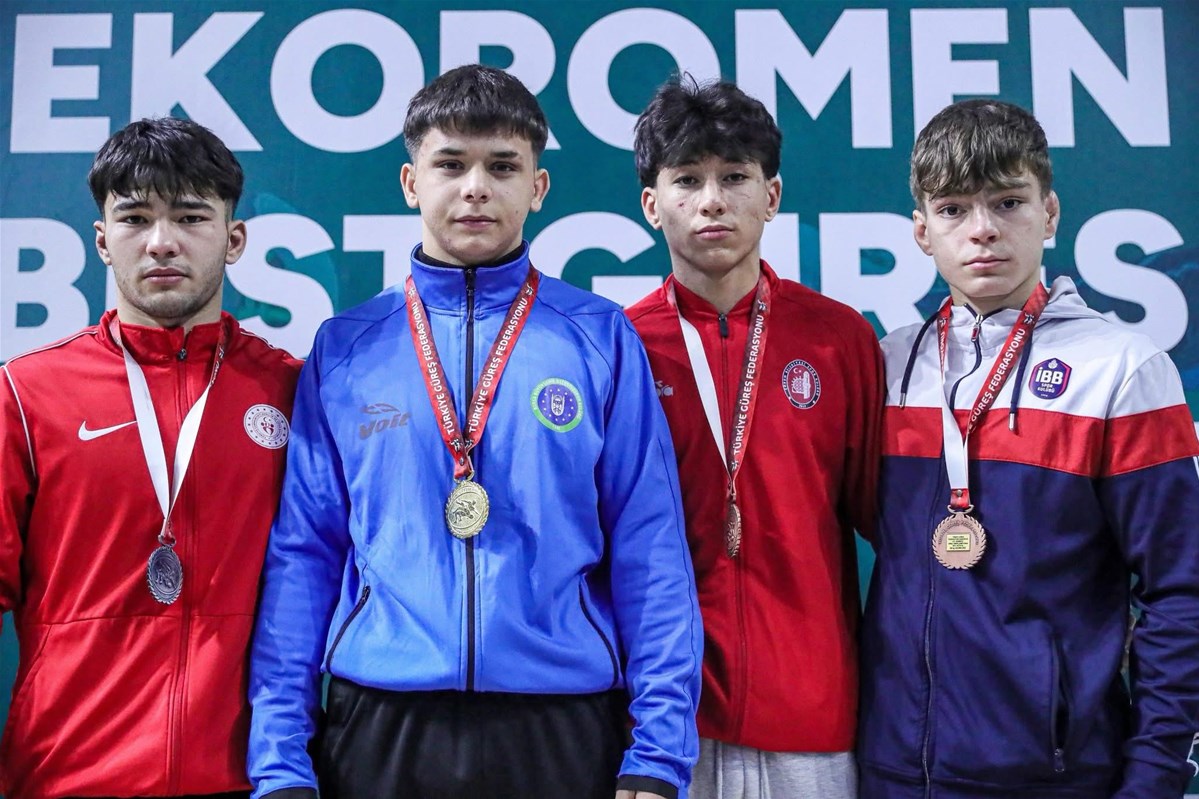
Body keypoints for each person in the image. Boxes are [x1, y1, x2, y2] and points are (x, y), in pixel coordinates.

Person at [246, 64, 701, 799]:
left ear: (538, 186)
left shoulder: (599, 338)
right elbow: (305, 556)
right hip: (382, 722)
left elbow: (650, 548)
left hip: (561, 722)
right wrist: (279, 761)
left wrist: (657, 754)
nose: (476, 188)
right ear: (410, 181)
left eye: (502, 166)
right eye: (451, 164)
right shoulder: (346, 348)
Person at [858, 99, 1199, 797]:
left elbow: (1182, 590)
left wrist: (1154, 775)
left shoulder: (1121, 369)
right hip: (891, 771)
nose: (982, 229)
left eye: (1007, 202)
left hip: (1057, 775)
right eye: (953, 209)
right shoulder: (887, 367)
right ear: (921, 232)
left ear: (1049, 213)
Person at [0, 117, 301, 799]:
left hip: (247, 779)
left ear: (233, 238)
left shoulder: (293, 392)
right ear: (102, 240)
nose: (162, 241)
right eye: (135, 218)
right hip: (65, 775)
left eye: (190, 217)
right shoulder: (26, 394)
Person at [625, 76, 883, 799]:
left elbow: (887, 525)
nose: (711, 200)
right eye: (687, 180)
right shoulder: (620, 347)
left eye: (734, 177)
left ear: (771, 196)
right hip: (663, 723)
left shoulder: (837, 340)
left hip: (812, 715)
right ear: (652, 204)